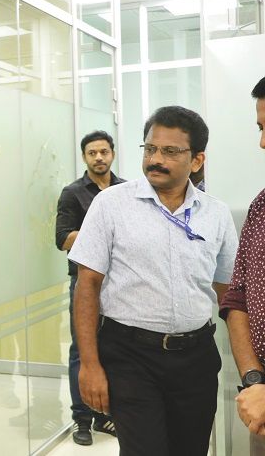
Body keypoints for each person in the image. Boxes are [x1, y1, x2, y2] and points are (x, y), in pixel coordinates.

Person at [69, 106, 238, 456]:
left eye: (170, 151)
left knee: (191, 449)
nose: (155, 159)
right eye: (150, 149)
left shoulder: (216, 214)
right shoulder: (111, 204)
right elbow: (87, 285)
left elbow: (229, 294)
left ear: (197, 160)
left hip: (196, 358)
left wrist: (251, 365)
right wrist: (89, 364)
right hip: (130, 356)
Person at [55, 130, 124, 445]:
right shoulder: (73, 193)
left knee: (115, 346)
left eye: (104, 152)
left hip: (120, 281)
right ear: (84, 157)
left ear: (112, 154)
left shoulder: (126, 190)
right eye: (92, 153)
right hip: (84, 282)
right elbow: (62, 239)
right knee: (81, 349)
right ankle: (81, 419)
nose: (99, 157)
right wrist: (101, 233)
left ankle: (105, 414)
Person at [220, 76, 265, 455]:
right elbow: (237, 297)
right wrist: (254, 381)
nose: (262, 143)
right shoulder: (261, 207)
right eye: (261, 128)